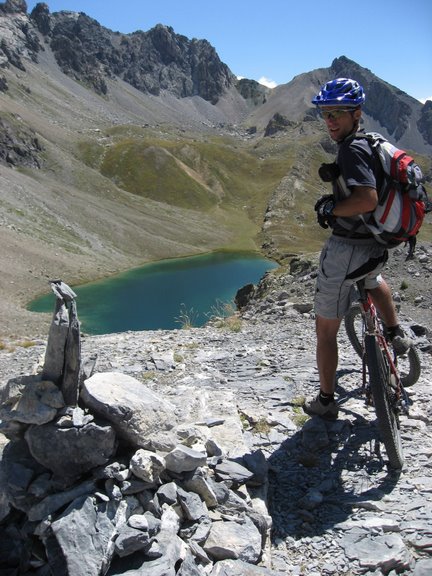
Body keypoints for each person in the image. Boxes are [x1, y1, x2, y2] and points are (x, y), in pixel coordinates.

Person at [303, 77, 412, 420]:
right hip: (377, 244)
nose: (330, 120)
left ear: (356, 113)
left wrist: (331, 209)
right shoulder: (371, 142)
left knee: (325, 328)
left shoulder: (352, 149)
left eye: (337, 113)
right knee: (372, 278)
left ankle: (325, 400)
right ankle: (395, 332)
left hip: (347, 248)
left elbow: (366, 199)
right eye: (325, 113)